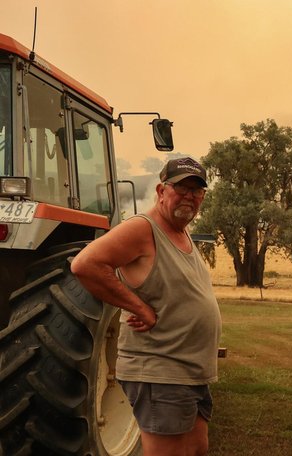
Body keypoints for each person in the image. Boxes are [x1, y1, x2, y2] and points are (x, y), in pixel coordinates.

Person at [72, 157, 221, 456]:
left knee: (196, 449)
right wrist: (138, 308)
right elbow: (85, 264)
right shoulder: (143, 228)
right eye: (181, 188)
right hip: (160, 369)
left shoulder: (181, 230)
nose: (189, 196)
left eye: (197, 190)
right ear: (161, 190)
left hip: (190, 370)